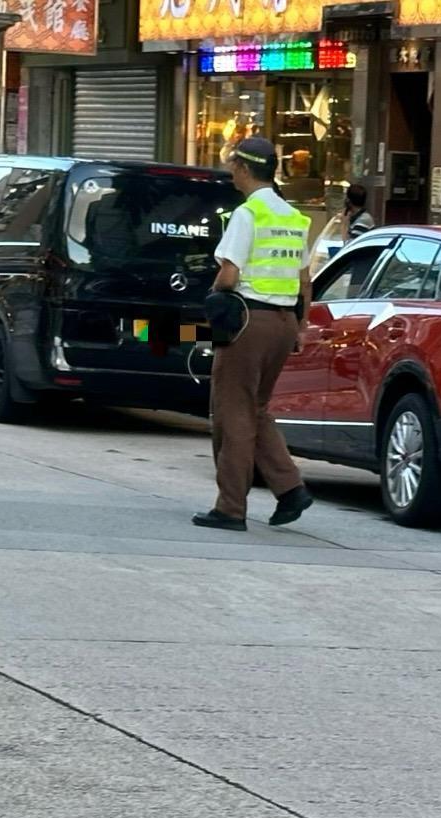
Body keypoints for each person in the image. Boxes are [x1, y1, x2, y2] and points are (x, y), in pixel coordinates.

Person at [193, 137, 315, 531]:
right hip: (282, 323)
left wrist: (213, 295)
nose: (231, 172)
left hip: (246, 322)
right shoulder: (293, 217)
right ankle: (290, 489)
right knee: (255, 409)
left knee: (234, 415)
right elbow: (303, 279)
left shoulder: (248, 214)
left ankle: (230, 508)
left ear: (243, 169)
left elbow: (229, 275)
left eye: (233, 166)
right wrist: (301, 325)